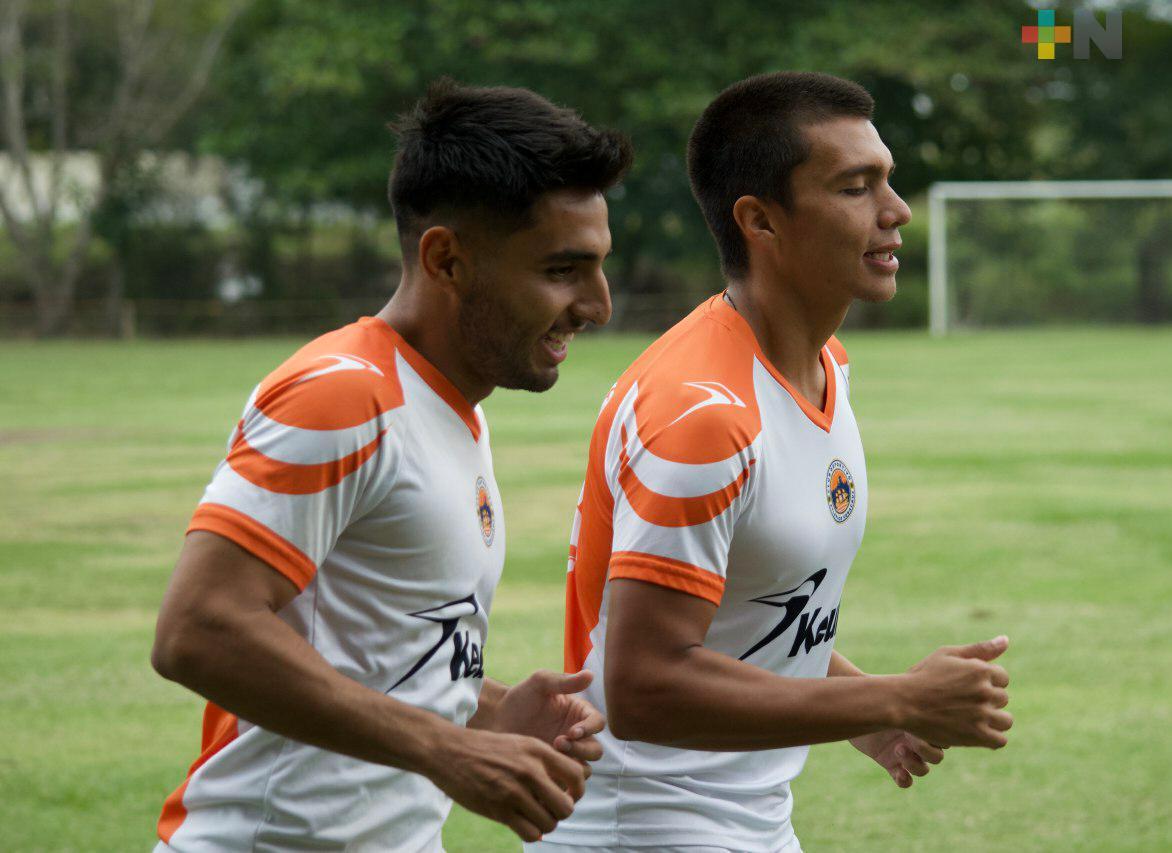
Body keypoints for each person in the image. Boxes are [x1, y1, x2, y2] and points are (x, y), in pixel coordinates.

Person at [531, 71, 1012, 853]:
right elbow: (646, 687)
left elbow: (756, 615)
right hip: (646, 823)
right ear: (759, 220)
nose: (895, 211)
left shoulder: (824, 366)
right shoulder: (701, 416)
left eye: (887, 180)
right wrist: (896, 698)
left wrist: (869, 708)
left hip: (746, 817)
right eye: (856, 187)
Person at [150, 79, 633, 851]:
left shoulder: (448, 406)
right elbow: (198, 628)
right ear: (446, 259)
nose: (598, 304)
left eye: (598, 266)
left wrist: (485, 710)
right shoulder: (342, 395)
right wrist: (448, 749)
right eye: (561, 270)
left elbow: (366, 650)